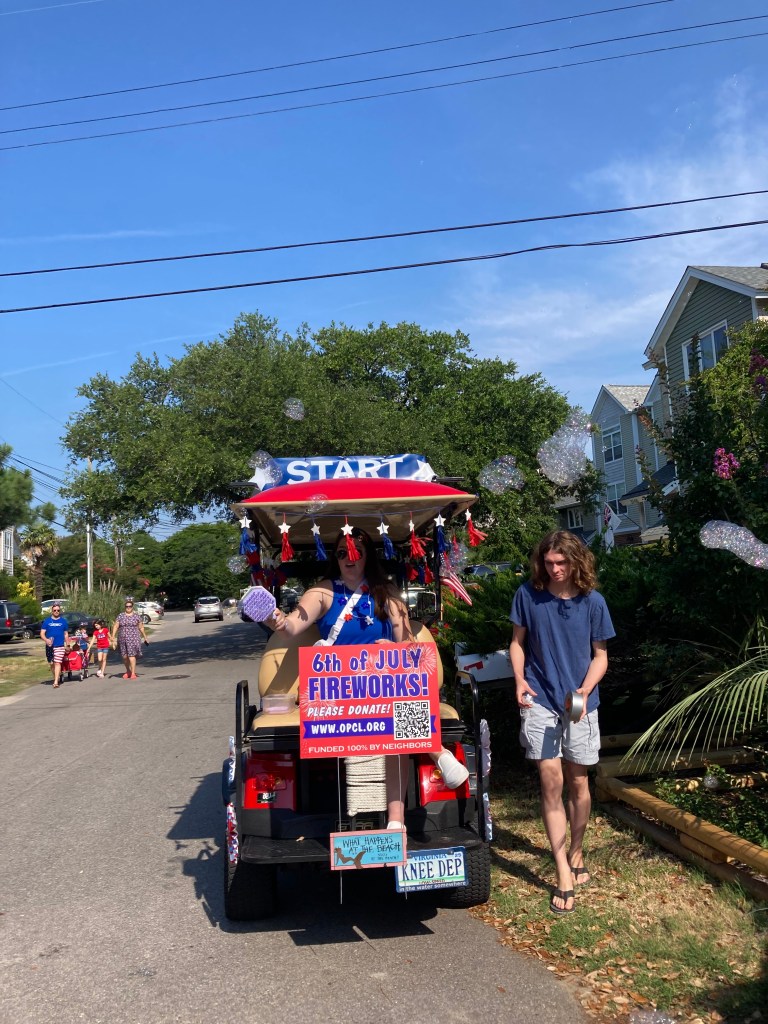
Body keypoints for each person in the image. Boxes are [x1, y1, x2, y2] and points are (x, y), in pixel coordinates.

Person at [266, 526, 469, 829]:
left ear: (366, 557)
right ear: (335, 558)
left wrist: (394, 650)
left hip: (380, 686)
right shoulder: (323, 592)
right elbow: (292, 626)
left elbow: (408, 644)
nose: (349, 558)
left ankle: (396, 819)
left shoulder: (386, 593)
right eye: (342, 553)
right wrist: (276, 619)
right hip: (337, 688)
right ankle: (436, 752)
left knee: (394, 707)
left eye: (356, 552)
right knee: (394, 713)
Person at [509, 530, 615, 915]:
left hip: (578, 701)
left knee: (578, 780)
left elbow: (600, 656)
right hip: (540, 698)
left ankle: (577, 850)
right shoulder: (528, 595)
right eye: (549, 562)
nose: (554, 569)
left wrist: (585, 690)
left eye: (562, 562)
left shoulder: (593, 601)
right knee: (550, 780)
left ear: (575, 562)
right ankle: (562, 872)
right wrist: (519, 680)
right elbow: (517, 642)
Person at [110, 599, 148, 679]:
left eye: (130, 606)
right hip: (122, 638)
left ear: (132, 607)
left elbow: (141, 627)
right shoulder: (121, 615)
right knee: (124, 656)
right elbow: (116, 626)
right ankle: (128, 671)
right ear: (125, 607)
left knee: (131, 655)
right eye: (126, 606)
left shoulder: (136, 616)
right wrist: (113, 636)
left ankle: (133, 673)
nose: (128, 607)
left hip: (133, 638)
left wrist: (145, 637)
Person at [40, 603, 69, 688]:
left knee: (57, 662)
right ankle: (57, 676)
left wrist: (67, 645)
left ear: (60, 611)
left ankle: (56, 682)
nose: (56, 611)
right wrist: (46, 640)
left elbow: (66, 634)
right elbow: (42, 633)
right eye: (55, 610)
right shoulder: (47, 621)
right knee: (51, 663)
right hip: (50, 646)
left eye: (58, 610)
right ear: (52, 611)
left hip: (59, 645)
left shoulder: (63, 621)